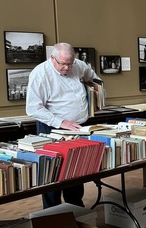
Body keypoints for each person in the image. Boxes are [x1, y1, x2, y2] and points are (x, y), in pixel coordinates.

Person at [26, 42, 100, 209]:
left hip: (78, 128)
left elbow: (94, 78)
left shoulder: (78, 65)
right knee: (52, 174)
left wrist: (96, 90)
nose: (67, 68)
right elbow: (33, 108)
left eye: (69, 63)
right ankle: (53, 214)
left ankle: (76, 209)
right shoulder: (40, 74)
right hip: (51, 128)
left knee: (75, 171)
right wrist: (61, 122)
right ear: (52, 58)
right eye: (62, 64)